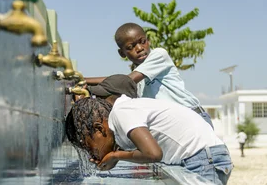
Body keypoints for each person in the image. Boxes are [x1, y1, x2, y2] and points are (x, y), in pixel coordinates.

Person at [66, 74, 233, 185]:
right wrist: (113, 158)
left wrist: (115, 155)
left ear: (99, 128)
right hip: (203, 156)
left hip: (204, 158)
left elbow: (153, 154)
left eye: (89, 146)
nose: (91, 152)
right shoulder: (123, 116)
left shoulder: (122, 111)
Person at [85, 23, 214, 129]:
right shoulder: (138, 75)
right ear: (122, 53)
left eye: (142, 41)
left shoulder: (159, 55)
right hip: (175, 124)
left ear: (149, 41)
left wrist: (87, 85)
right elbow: (119, 81)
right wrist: (82, 81)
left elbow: (124, 81)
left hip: (193, 118)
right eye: (131, 47)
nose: (140, 48)